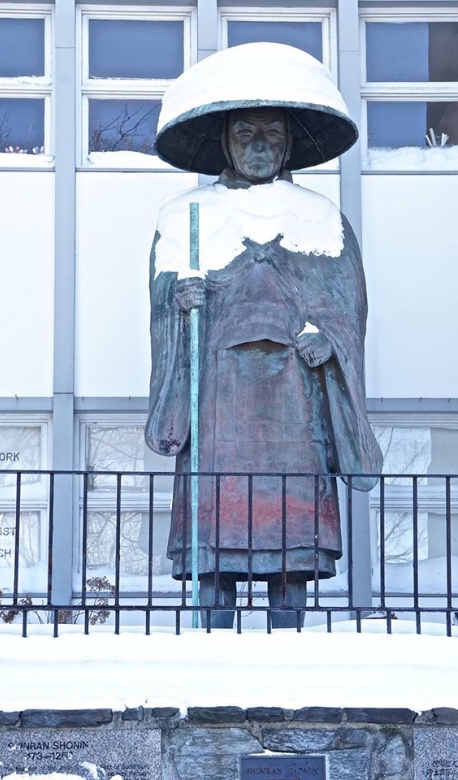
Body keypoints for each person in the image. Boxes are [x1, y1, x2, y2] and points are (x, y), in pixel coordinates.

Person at [145, 43, 383, 628]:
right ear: (225, 139)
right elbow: (161, 300)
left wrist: (328, 337)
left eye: (271, 135)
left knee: (291, 548)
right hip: (218, 402)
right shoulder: (186, 215)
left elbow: (347, 304)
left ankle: (290, 633)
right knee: (216, 544)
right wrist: (178, 299)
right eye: (245, 132)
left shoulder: (318, 215)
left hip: (294, 405)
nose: (258, 146)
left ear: (287, 143)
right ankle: (212, 639)